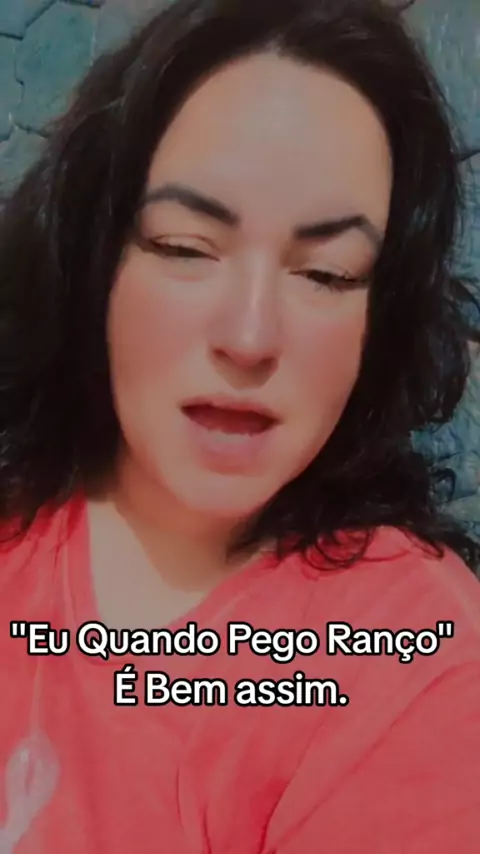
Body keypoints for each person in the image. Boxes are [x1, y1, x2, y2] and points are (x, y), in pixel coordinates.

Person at [0, 0, 479, 850]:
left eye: (328, 274)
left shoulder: (420, 664)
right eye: (185, 248)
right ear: (94, 257)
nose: (250, 338)